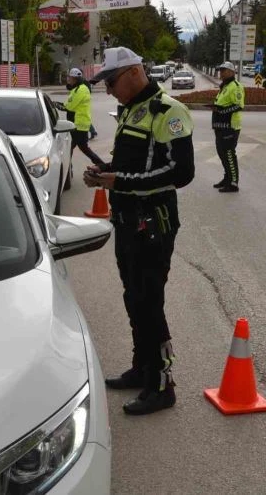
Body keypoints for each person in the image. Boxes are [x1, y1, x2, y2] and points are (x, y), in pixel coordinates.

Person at [84, 46, 195, 415]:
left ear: (133, 73)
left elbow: (181, 173)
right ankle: (141, 368)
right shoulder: (132, 109)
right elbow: (132, 163)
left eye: (111, 82)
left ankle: (162, 385)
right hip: (127, 219)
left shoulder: (170, 111)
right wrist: (106, 173)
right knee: (134, 298)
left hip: (154, 221)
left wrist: (121, 182)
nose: (108, 90)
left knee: (150, 303)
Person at [57, 68, 105, 167]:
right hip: (76, 124)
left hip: (79, 125)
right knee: (70, 147)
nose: (68, 79)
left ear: (74, 78)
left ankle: (102, 166)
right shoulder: (76, 89)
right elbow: (68, 104)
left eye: (69, 77)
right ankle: (68, 167)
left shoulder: (81, 89)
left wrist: (57, 105)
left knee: (83, 148)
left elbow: (69, 106)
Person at [211, 61, 245, 192]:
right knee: (222, 154)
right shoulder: (224, 86)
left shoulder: (235, 86)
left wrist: (221, 111)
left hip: (230, 126)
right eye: (220, 70)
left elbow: (238, 105)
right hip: (220, 126)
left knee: (229, 154)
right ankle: (227, 178)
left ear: (231, 72)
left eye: (224, 70)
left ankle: (233, 183)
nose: (221, 73)